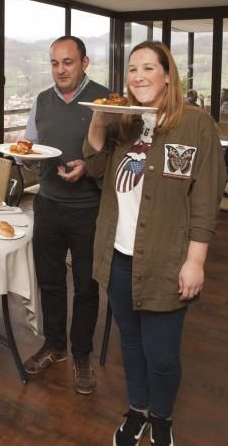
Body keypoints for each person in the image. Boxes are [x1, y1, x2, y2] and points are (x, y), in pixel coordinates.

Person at [84, 41, 225, 446]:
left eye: (148, 68)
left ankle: (161, 417)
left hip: (166, 260)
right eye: (132, 69)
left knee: (161, 353)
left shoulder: (196, 124)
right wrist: (98, 118)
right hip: (119, 256)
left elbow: (205, 199)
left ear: (167, 75)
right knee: (130, 341)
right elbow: (95, 167)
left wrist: (195, 261)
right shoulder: (123, 121)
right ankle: (138, 410)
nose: (139, 76)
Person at [22, 35, 109, 394]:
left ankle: (82, 353)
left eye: (68, 62)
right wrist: (22, 155)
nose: (60, 70)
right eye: (55, 63)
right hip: (48, 206)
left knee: (87, 288)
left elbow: (118, 154)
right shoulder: (41, 101)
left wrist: (87, 167)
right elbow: (28, 144)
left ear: (84, 63)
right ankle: (55, 345)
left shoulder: (104, 100)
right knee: (51, 281)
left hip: (89, 210)